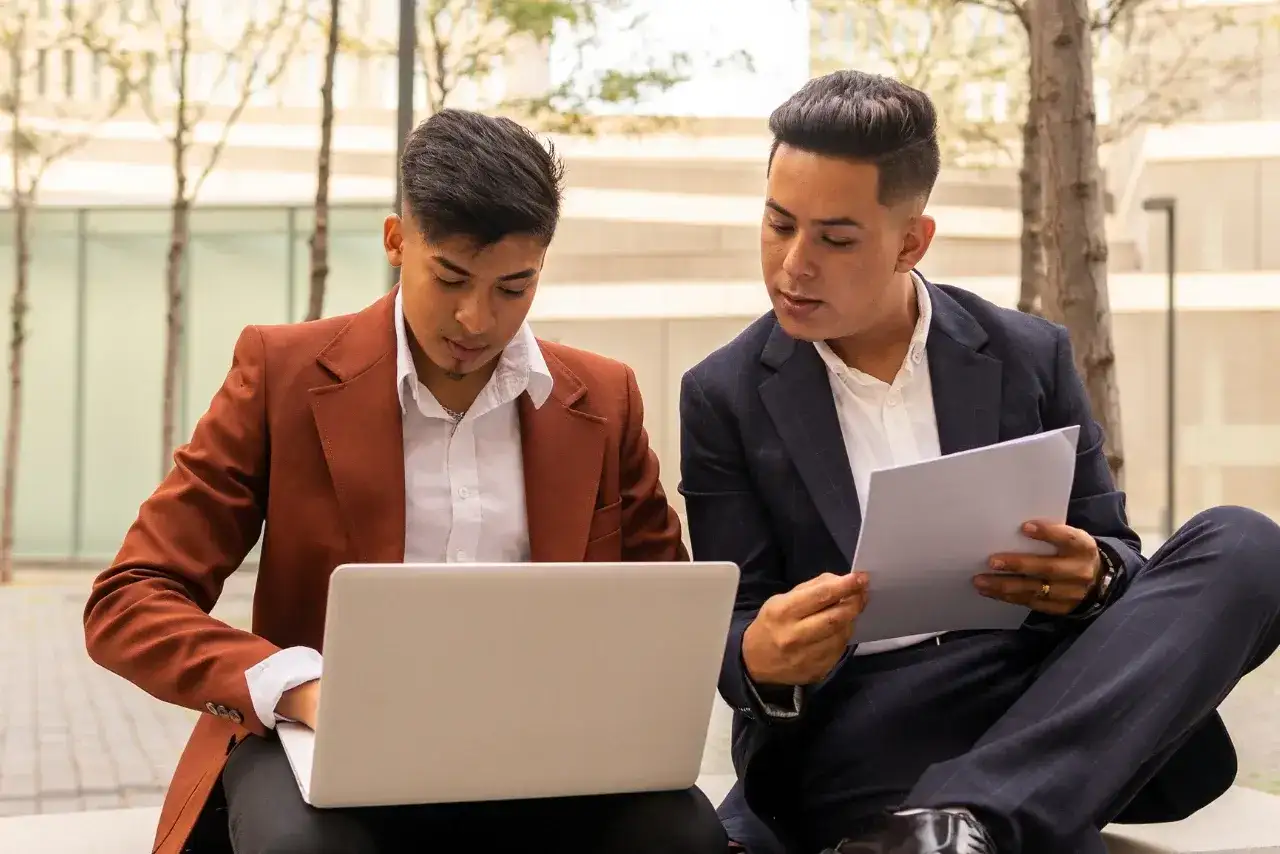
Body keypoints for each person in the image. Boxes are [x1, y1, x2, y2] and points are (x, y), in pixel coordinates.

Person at [83, 109, 727, 854]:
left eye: (513, 287)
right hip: (323, 742)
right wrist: (298, 687)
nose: (476, 318)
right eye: (450, 277)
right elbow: (129, 598)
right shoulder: (282, 374)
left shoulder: (603, 399)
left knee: (685, 835)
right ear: (396, 241)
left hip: (543, 749)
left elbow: (662, 612)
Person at [678, 70, 1280, 854]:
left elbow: (1120, 557)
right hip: (862, 721)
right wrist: (761, 655)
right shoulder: (723, 395)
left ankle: (964, 817)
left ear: (911, 242)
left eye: (835, 238)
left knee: (1247, 542)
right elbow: (736, 627)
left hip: (1040, 692)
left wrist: (1095, 577)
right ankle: (980, 815)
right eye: (778, 223)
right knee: (1047, 824)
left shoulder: (1029, 354)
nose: (794, 264)